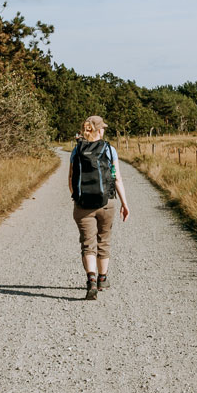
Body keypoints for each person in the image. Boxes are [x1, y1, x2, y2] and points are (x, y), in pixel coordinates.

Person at [68, 115, 130, 300]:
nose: (104, 130)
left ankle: (91, 281)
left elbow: (71, 181)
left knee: (88, 243)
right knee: (103, 240)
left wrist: (78, 199)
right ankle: (103, 279)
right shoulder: (109, 149)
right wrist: (124, 204)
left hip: (83, 205)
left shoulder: (76, 150)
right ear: (97, 130)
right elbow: (117, 178)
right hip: (106, 203)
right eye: (102, 127)